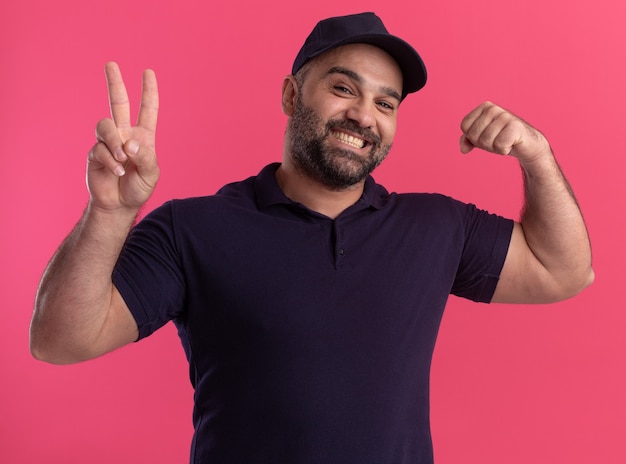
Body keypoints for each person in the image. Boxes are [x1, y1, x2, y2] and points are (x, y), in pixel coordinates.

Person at [30, 12, 593, 464]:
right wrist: (110, 210)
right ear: (291, 96)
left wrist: (536, 155)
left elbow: (563, 271)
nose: (363, 115)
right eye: (343, 87)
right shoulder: (192, 229)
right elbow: (59, 340)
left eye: (385, 102)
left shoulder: (436, 226)